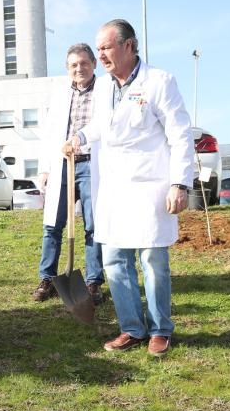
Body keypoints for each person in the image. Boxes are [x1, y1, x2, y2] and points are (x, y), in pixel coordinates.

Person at [72, 19, 194, 357]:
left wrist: (179, 183)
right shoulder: (103, 88)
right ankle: (132, 328)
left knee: (153, 259)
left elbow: (180, 134)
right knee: (113, 260)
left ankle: (160, 330)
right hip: (113, 188)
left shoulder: (159, 82)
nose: (101, 56)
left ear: (128, 46)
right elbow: (101, 124)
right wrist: (80, 138)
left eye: (106, 48)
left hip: (150, 186)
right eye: (98, 50)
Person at [33, 43, 105, 306]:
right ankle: (47, 278)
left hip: (92, 164)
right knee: (53, 225)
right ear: (67, 68)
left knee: (93, 225)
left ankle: (93, 282)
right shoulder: (61, 94)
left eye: (84, 63)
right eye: (74, 65)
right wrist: (45, 168)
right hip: (63, 163)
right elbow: (50, 132)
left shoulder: (105, 90)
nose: (79, 69)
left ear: (94, 64)